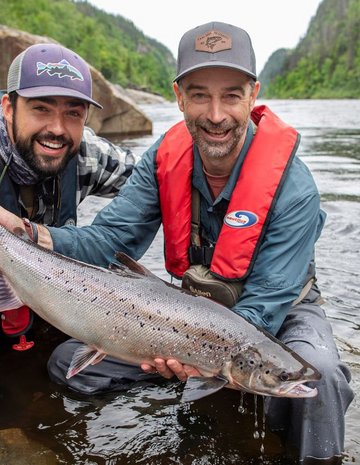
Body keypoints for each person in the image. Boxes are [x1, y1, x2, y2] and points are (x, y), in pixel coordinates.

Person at [0, 23, 354, 464]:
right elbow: (109, 239)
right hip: (194, 320)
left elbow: (263, 308)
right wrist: (28, 234)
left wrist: (203, 357)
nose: (216, 114)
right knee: (69, 367)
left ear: (253, 94)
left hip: (272, 316)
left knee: (321, 385)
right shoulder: (162, 162)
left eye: (231, 95)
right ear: (180, 97)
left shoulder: (293, 186)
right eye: (200, 94)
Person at [0, 43, 137, 350]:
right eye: (41, 108)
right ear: (9, 108)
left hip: (55, 306)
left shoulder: (88, 154)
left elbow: (153, 185)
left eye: (73, 113)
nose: (58, 129)